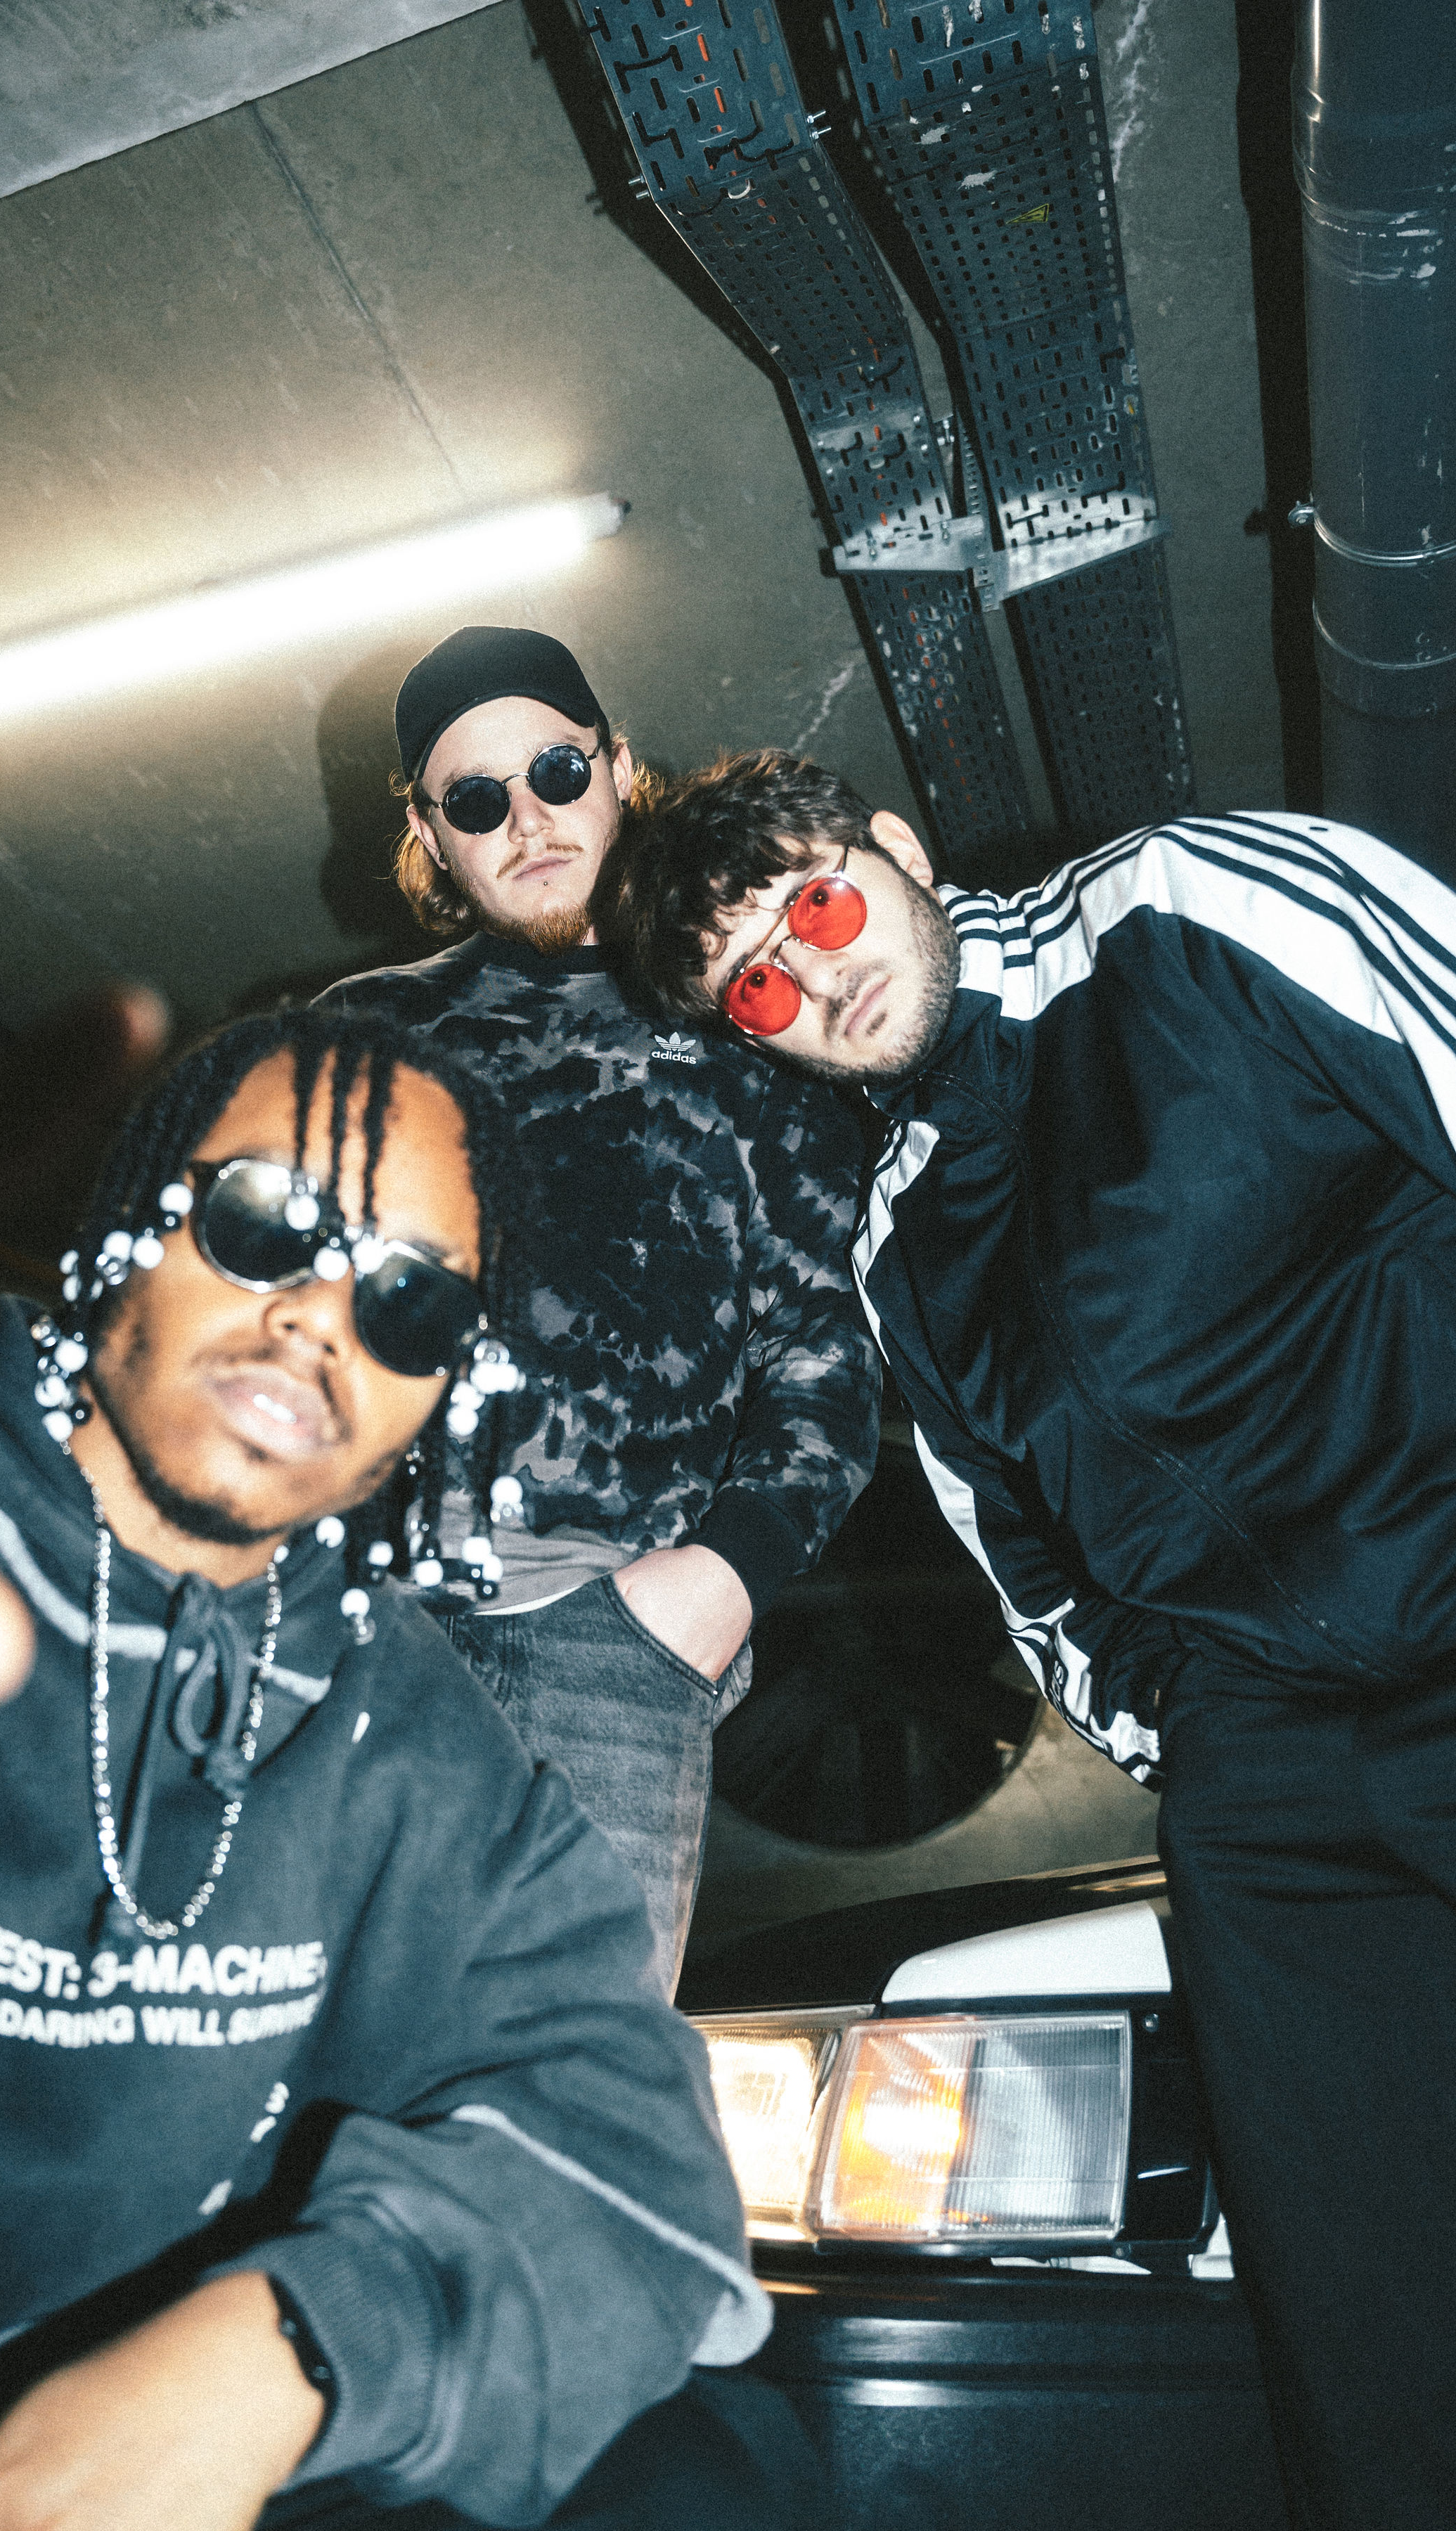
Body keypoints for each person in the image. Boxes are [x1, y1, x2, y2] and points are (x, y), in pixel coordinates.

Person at [0, 674, 801, 2531]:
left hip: (70, 2444)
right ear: (125, 1239)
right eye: (264, 1225)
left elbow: (638, 2168)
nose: (319, 1317)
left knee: (713, 2482)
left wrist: (292, 2348)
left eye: (408, 1303)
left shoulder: (398, 1735)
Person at [605, 745, 1456, 2531]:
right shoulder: (900, 1250)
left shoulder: (1180, 911)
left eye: (814, 904)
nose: (811, 974)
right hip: (1267, 1785)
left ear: (893, 849)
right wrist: (1191, 1733)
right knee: (1373, 2329)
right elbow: (1026, 1565)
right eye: (755, 985)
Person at [321, 629, 880, 1985]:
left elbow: (824, 1346)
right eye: (476, 799)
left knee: (560, 2068)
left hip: (612, 1633)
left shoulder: (749, 1014)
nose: (527, 820)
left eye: (557, 772)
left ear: (620, 768)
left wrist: (718, 1582)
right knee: (294, 2060)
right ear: (428, 834)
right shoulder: (359, 1031)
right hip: (353, 1632)